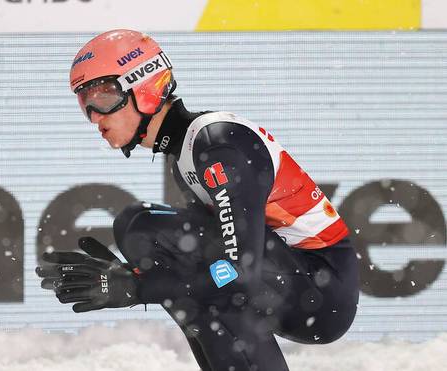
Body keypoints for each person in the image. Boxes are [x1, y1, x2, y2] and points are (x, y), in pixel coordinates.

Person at [36, 29, 360, 371]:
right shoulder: (188, 153)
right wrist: (138, 278)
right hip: (301, 282)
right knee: (144, 232)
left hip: (321, 291)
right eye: (84, 102)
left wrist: (136, 287)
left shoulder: (217, 144)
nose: (95, 116)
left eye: (103, 96)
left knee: (146, 230)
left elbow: (239, 271)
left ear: (144, 86)